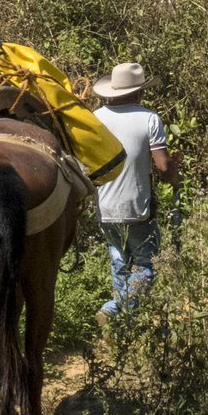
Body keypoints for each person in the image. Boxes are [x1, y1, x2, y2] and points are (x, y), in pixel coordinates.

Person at [88, 61, 172, 320]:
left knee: (120, 265)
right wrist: (174, 176)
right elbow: (163, 167)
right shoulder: (149, 118)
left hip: (106, 208)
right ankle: (113, 310)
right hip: (137, 209)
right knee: (145, 267)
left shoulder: (95, 119)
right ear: (139, 91)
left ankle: (122, 328)